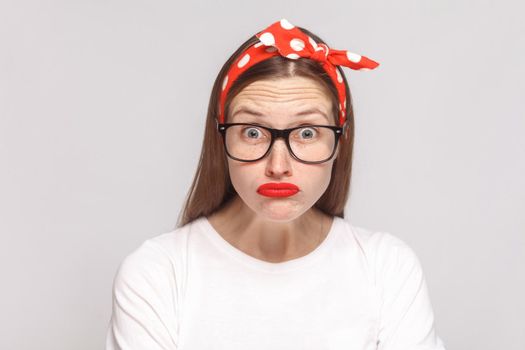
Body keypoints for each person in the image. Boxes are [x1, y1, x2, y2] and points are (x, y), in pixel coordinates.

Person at [105, 18, 447, 350]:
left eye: (307, 132)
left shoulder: (387, 268)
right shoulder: (157, 274)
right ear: (220, 139)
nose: (278, 166)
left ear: (339, 143)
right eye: (252, 132)